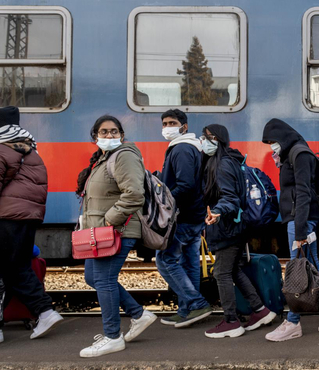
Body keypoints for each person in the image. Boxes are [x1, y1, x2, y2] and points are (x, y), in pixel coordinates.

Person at [262, 118, 319, 342]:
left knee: (297, 269)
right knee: (310, 265)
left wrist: (301, 230)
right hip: (298, 219)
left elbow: (303, 192)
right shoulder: (293, 153)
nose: (272, 146)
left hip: (300, 220)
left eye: (273, 141)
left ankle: (293, 322)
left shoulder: (300, 154)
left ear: (282, 136)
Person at [75, 115, 157, 357]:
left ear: (121, 134)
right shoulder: (104, 159)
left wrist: (109, 220)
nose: (109, 136)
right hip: (99, 231)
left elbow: (134, 194)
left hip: (115, 230)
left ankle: (112, 337)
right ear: (95, 136)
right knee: (93, 277)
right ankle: (140, 315)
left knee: (104, 280)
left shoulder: (124, 155)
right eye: (104, 131)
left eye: (114, 131)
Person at [200, 124, 275, 339]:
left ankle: (231, 321)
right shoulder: (226, 161)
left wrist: (216, 212)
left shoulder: (222, 165)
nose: (204, 142)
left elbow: (230, 198)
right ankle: (260, 310)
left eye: (208, 138)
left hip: (227, 227)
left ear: (219, 139)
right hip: (233, 226)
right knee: (232, 270)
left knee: (221, 272)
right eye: (203, 137)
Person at [0, 106, 63, 343]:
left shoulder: (2, 149)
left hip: (7, 217)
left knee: (11, 269)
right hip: (27, 217)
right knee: (16, 268)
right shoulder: (28, 148)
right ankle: (45, 312)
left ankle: (44, 311)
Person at [155, 109, 212, 328]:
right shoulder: (190, 147)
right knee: (189, 262)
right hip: (193, 214)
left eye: (172, 123)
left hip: (183, 216)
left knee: (165, 260)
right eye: (164, 123)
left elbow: (185, 185)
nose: (167, 127)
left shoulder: (181, 149)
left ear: (184, 127)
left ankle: (196, 303)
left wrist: (164, 200)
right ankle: (187, 310)